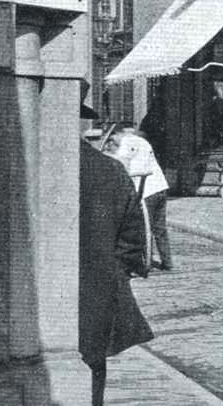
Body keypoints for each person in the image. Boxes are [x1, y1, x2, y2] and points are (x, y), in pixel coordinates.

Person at [78, 129, 153, 406]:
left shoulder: (31, 162)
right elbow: (133, 237)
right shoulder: (110, 169)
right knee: (91, 362)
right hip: (97, 288)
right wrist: (113, 272)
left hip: (37, 292)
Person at [111, 124, 173, 271]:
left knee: (144, 226)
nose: (113, 143)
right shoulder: (143, 141)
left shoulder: (127, 142)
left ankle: (146, 263)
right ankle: (167, 261)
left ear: (119, 134)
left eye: (113, 139)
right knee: (160, 228)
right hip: (160, 185)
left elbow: (120, 163)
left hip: (146, 189)